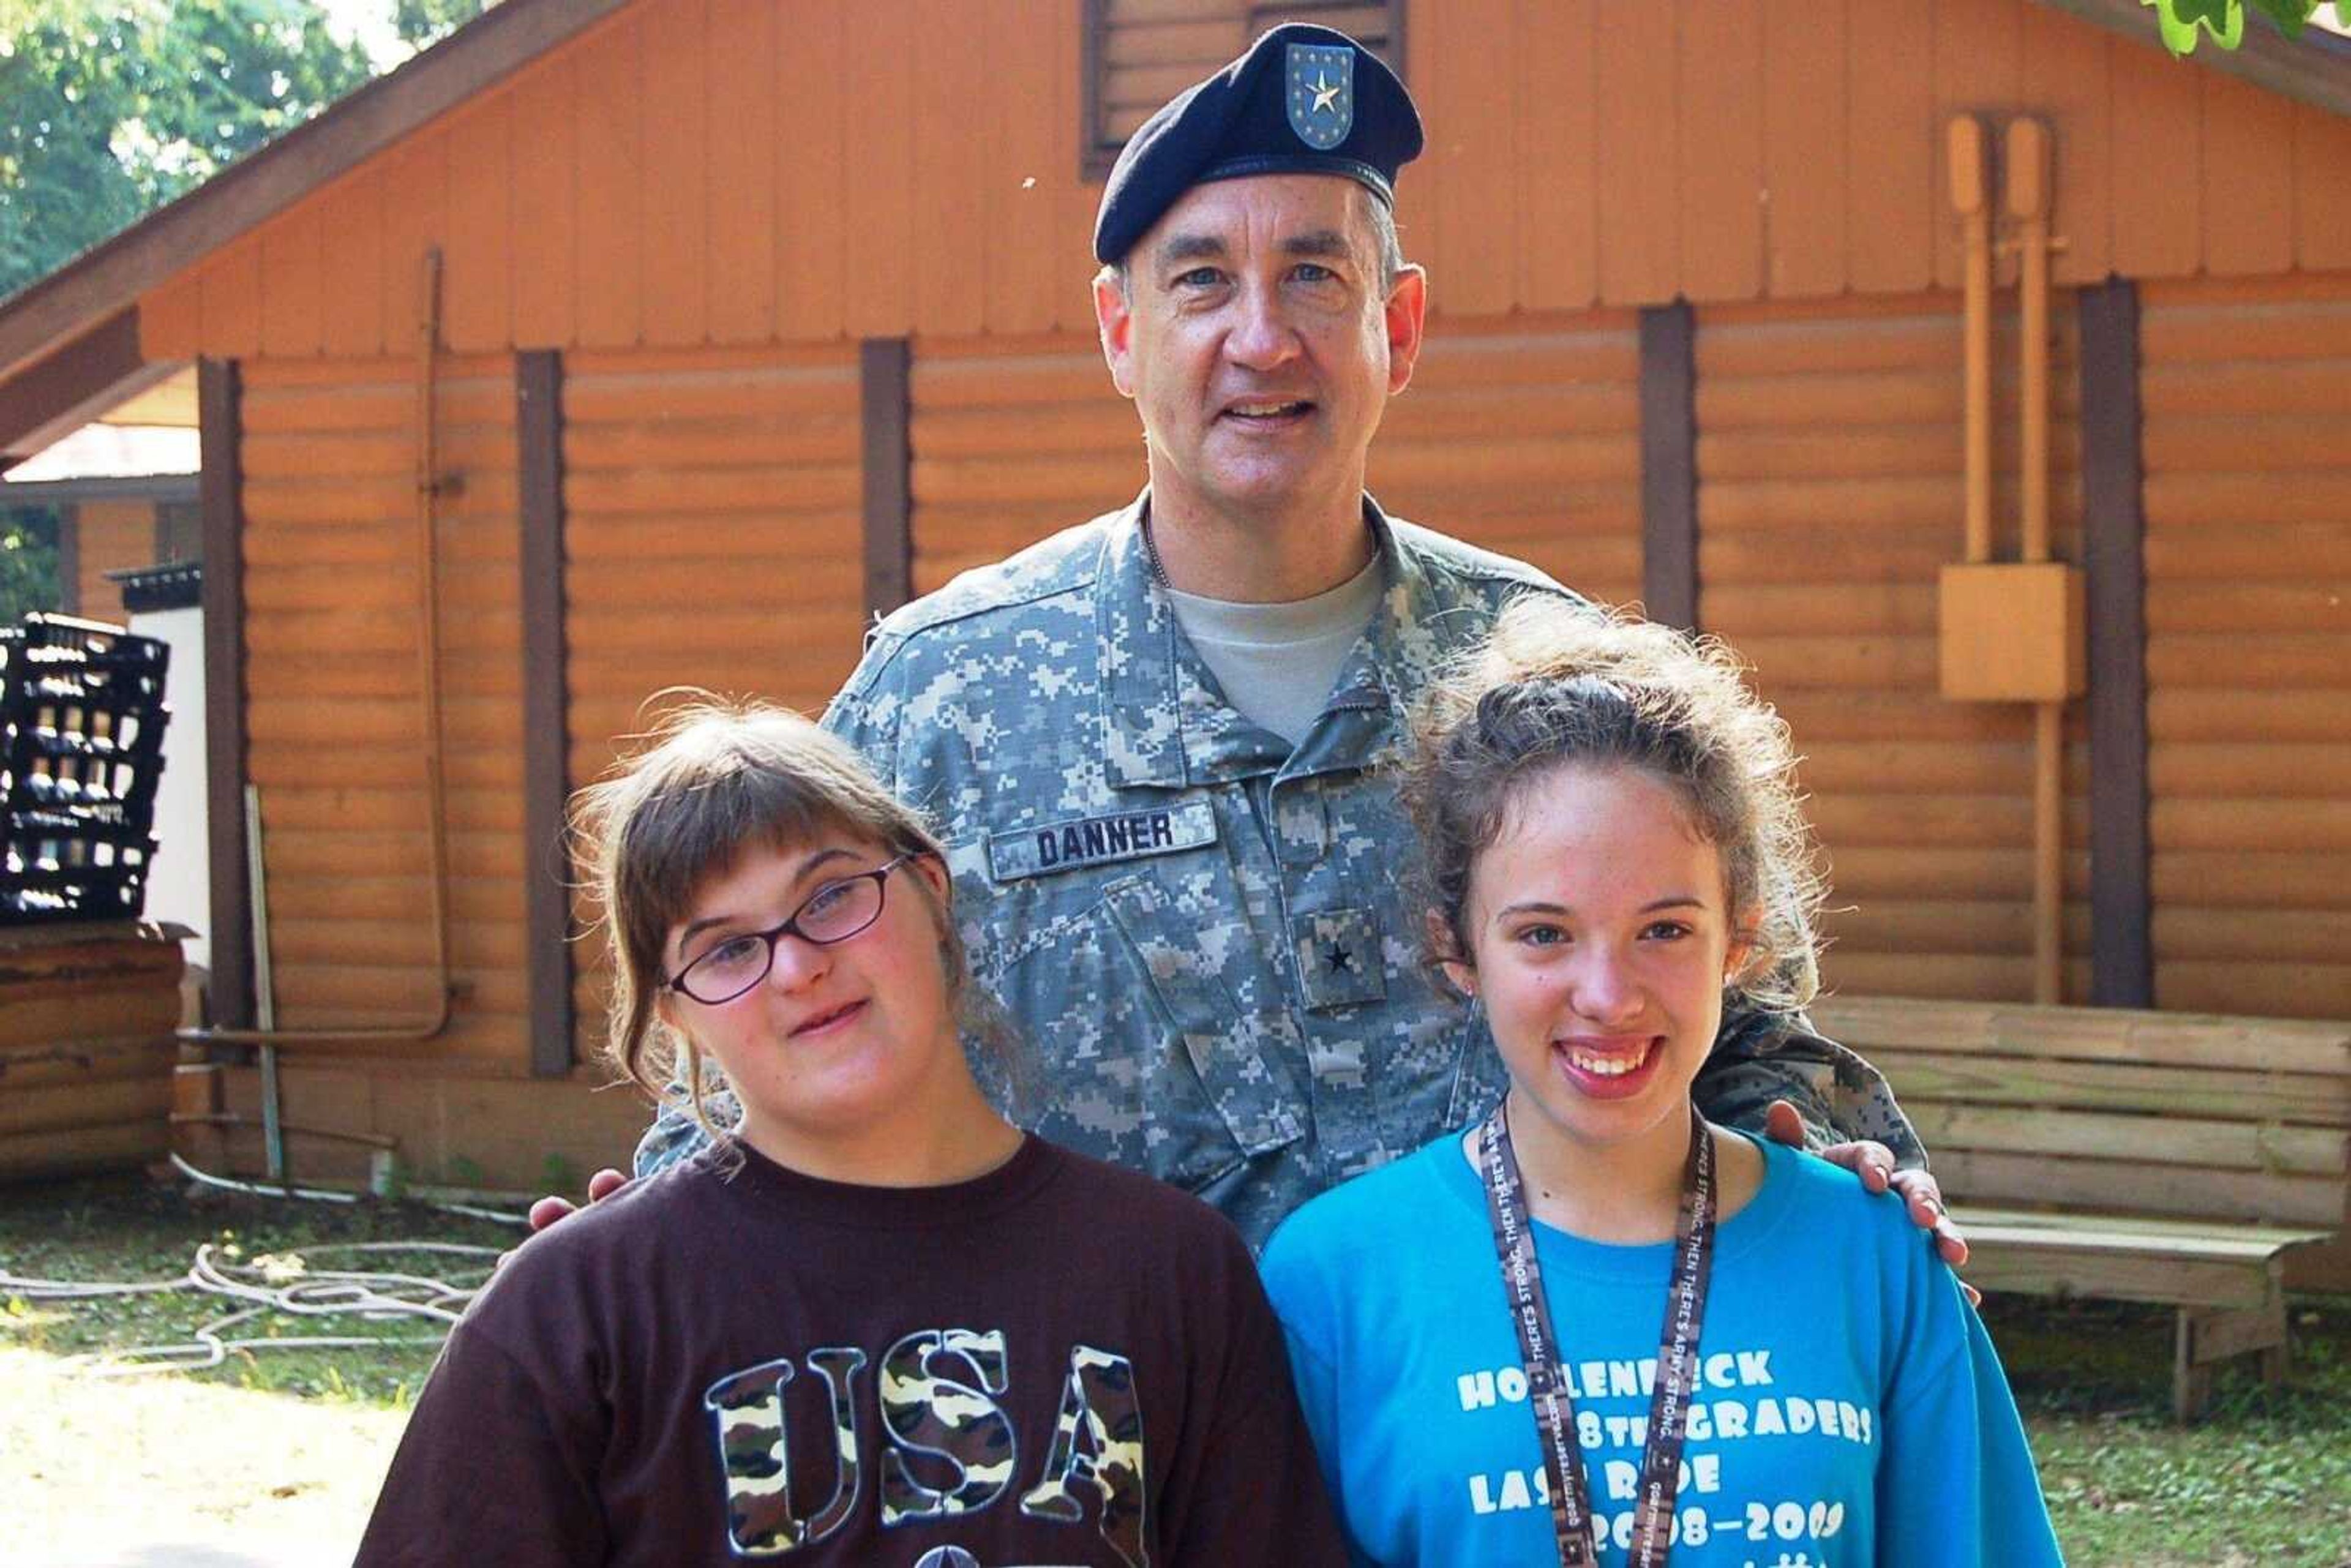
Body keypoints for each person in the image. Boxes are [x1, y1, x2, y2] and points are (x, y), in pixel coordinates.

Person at [591, 23, 1957, 1261]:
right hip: (1109, 1475)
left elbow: (1732, 1015)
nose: (1262, 338)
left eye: (1314, 273)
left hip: (1483, 1460)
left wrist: (1839, 1168)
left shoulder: (1551, 671)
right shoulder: (945, 698)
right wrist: (642, 1253)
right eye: (1201, 282)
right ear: (1121, 334)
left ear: (1397, 327)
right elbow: (777, 1025)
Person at [359, 704, 1348, 1566]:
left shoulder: (1167, 1268)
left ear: (930, 887)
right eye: (729, 948)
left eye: (831, 895)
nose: (797, 967)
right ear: (676, 1016)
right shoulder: (576, 1314)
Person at [1257, 602, 2061, 1566]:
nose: (1607, 994)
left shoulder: (1874, 1255)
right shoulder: (1335, 1276)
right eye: (1544, 933)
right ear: (1457, 948)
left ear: (1743, 938)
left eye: (1665, 929)